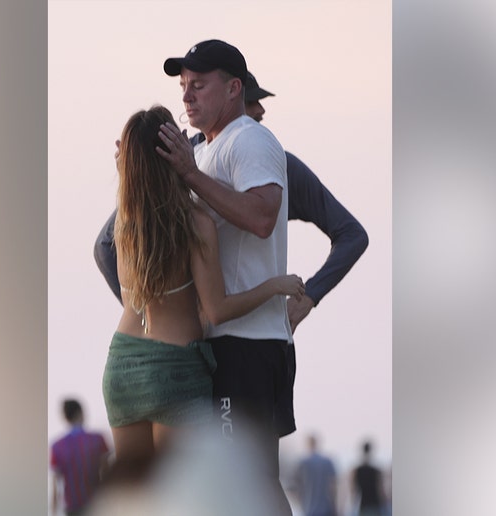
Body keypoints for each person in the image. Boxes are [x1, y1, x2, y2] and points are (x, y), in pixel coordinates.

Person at [94, 71, 369, 438]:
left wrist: (311, 296)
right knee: (224, 482)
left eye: (257, 119)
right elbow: (108, 244)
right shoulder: (179, 158)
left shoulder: (276, 165)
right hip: (197, 351)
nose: (254, 123)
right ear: (233, 101)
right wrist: (155, 305)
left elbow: (351, 234)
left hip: (239, 347)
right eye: (251, 113)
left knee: (234, 479)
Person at [101, 105, 305, 465]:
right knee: (183, 496)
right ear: (173, 154)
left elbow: (136, 192)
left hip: (122, 366)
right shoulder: (194, 222)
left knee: (135, 496)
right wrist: (274, 285)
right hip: (175, 368)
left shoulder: (124, 224)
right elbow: (218, 309)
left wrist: (128, 170)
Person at [153, 39, 293, 513]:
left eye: (199, 86)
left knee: (247, 483)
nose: (188, 97)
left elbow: (261, 217)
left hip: (247, 342)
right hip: (226, 340)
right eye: (183, 87)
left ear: (234, 88)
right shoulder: (208, 150)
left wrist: (190, 176)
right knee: (245, 483)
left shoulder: (249, 140)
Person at [50, 399, 110, 516]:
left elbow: (56, 488)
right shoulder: (97, 439)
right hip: (95, 505)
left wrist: (53, 512)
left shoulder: (57, 446)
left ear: (66, 417)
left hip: (72, 507)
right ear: (81, 413)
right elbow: (107, 474)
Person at [293, 434, 338, 516]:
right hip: (326, 508)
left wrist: (300, 502)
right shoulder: (327, 461)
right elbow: (333, 486)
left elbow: (296, 486)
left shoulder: (303, 463)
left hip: (309, 508)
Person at [352, 440, 387, 516]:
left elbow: (354, 491)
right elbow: (381, 490)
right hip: (375, 504)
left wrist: (353, 505)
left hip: (363, 504)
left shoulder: (357, 470)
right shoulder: (376, 470)